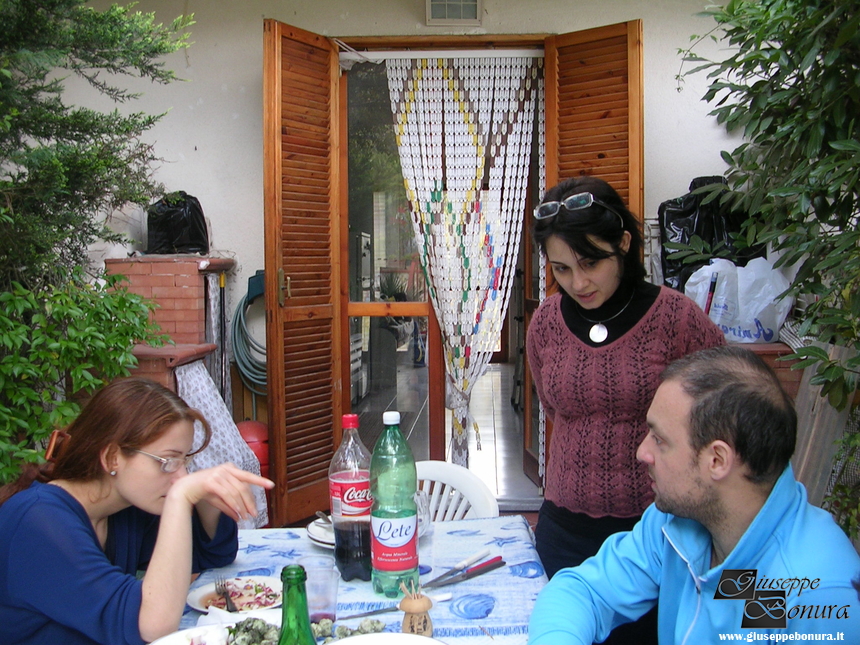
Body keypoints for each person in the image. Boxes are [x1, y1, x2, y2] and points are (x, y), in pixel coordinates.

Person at [528, 345, 860, 644]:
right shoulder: (677, 523)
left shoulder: (811, 593)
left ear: (717, 460)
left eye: (660, 440)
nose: (642, 452)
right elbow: (584, 591)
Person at [526, 176, 725, 643]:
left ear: (624, 243)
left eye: (590, 263)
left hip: (658, 536)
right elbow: (555, 407)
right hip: (563, 528)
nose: (578, 282)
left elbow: (726, 410)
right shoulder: (547, 324)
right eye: (561, 269)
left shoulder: (676, 319)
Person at [0, 377, 274, 645]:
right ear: (112, 458)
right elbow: (150, 625)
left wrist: (204, 498)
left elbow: (212, 557)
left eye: (185, 459)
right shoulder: (38, 522)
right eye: (167, 461)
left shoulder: (125, 508)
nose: (181, 474)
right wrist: (181, 496)